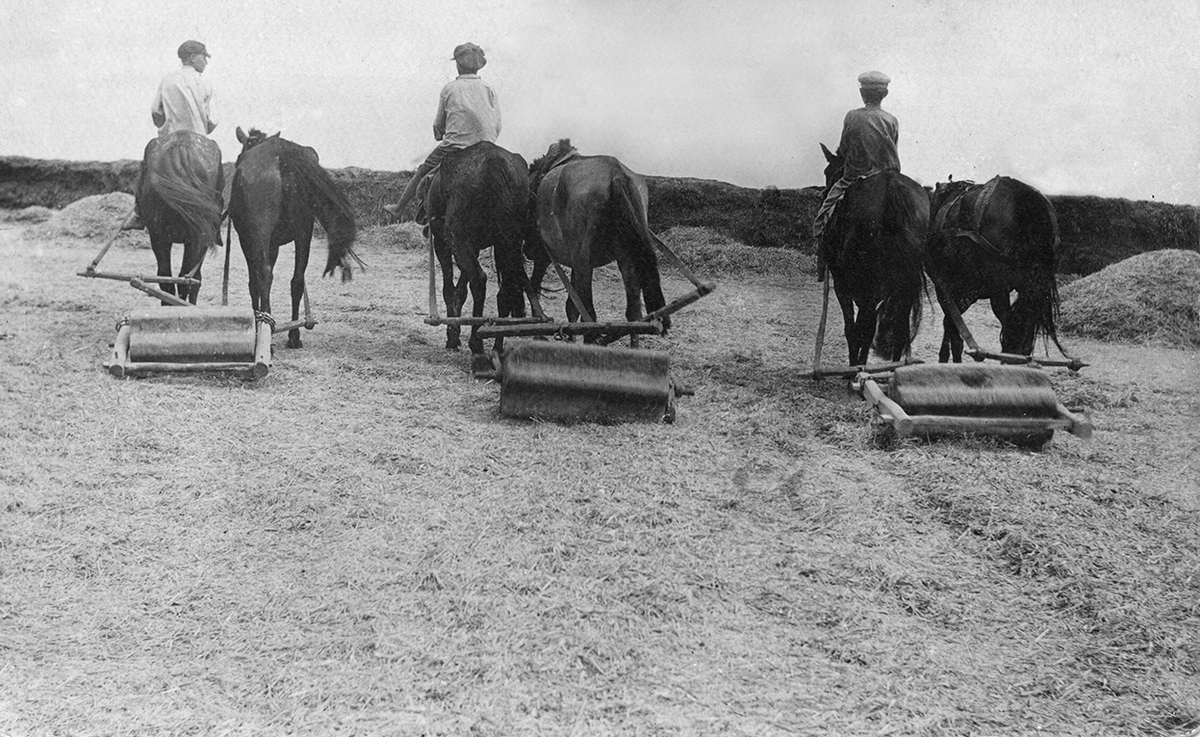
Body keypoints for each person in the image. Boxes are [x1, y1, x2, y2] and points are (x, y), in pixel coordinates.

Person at [383, 42, 501, 221]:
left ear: (458, 64)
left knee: (423, 170)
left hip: (456, 147)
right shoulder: (488, 88)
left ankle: (398, 208)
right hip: (487, 146)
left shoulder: (450, 88)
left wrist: (441, 134)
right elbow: (497, 123)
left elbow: (439, 124)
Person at [124, 40, 219, 231]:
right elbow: (213, 120)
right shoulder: (205, 83)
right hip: (198, 140)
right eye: (204, 57)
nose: (206, 62)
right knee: (216, 168)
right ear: (193, 58)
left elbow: (155, 111)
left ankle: (140, 213)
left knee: (147, 166)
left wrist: (165, 125)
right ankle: (214, 217)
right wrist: (202, 126)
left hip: (169, 140)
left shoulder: (167, 80)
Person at [811, 71, 900, 261]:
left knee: (825, 211)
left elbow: (843, 148)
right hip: (889, 177)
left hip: (856, 177)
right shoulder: (892, 120)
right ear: (885, 94)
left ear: (862, 93)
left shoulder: (852, 116)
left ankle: (822, 256)